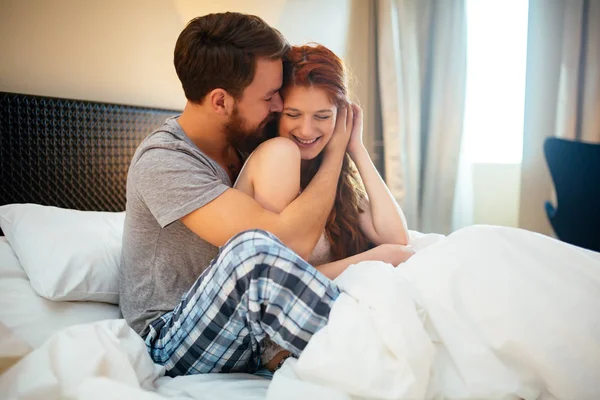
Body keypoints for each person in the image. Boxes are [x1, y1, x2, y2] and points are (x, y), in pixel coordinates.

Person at [120, 12, 354, 377]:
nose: (278, 106)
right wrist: (336, 154)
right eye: (269, 96)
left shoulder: (248, 145)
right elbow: (283, 248)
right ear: (220, 102)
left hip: (246, 325)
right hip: (170, 337)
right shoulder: (163, 160)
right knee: (252, 248)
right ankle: (368, 349)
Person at [233, 43, 415, 368]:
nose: (306, 130)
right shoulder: (275, 157)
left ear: (341, 115)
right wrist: (378, 258)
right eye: (293, 115)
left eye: (322, 116)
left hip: (318, 313)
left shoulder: (328, 172)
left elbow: (396, 236)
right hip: (273, 336)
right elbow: (282, 279)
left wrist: (353, 147)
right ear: (276, 113)